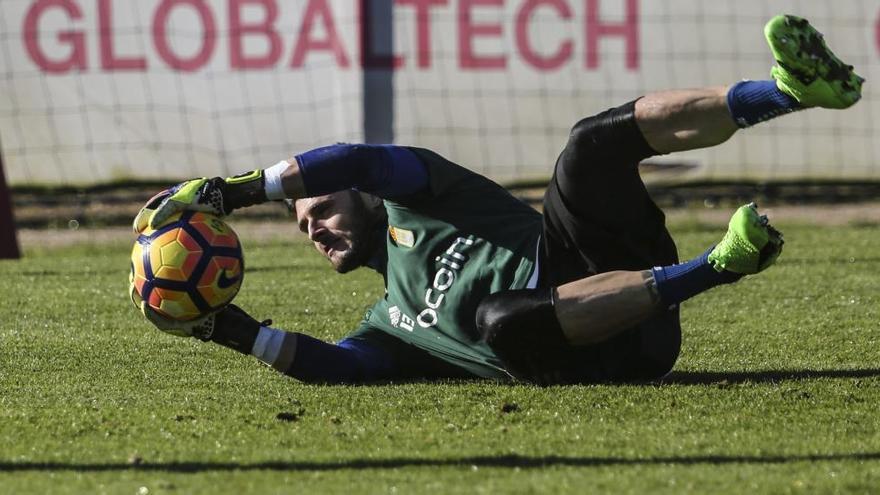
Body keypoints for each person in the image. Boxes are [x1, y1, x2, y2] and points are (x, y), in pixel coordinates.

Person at [132, 15, 862, 384]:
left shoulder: (424, 192)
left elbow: (356, 156)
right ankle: (724, 264)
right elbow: (340, 368)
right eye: (301, 227)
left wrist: (239, 190)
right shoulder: (389, 324)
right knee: (496, 318)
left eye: (319, 209)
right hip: (608, 351)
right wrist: (222, 331)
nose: (314, 228)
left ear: (361, 197)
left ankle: (788, 91)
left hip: (594, 258)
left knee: (585, 146)